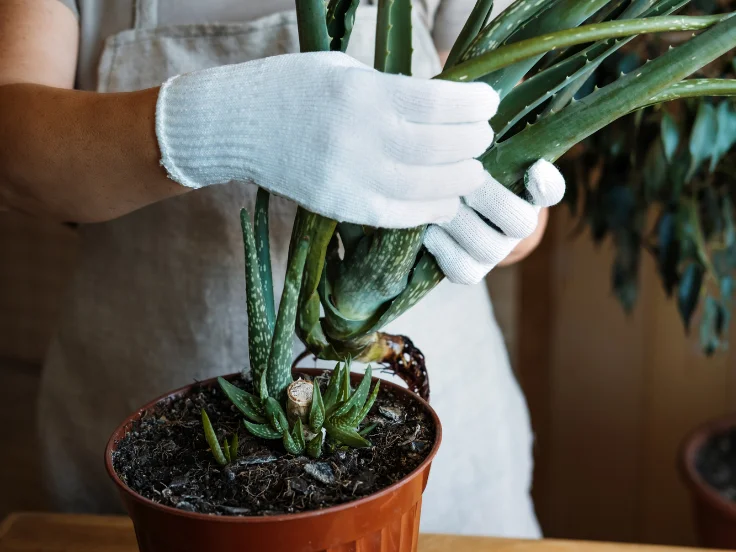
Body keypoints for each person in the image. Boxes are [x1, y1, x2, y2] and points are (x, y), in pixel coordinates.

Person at [0, 0, 565, 537]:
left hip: (438, 450)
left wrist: (503, 216)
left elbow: (503, 123)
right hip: (150, 439)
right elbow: (11, 148)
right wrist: (214, 125)